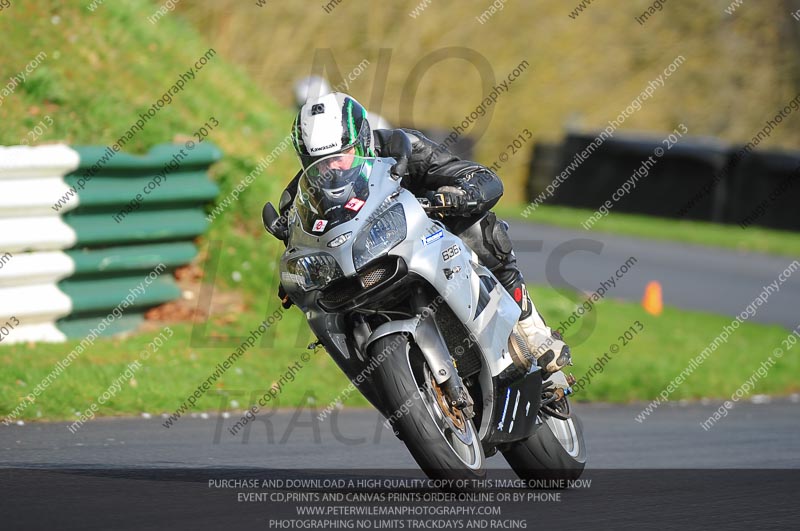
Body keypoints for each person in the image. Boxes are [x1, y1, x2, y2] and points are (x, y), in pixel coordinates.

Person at [274, 92, 572, 376]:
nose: (333, 167)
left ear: (362, 141)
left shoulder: (404, 147)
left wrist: (463, 194)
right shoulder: (302, 193)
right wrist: (296, 276)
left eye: (343, 154)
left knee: (481, 228)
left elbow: (479, 177)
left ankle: (531, 327)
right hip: (365, 265)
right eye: (321, 162)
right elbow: (299, 239)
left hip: (425, 238)